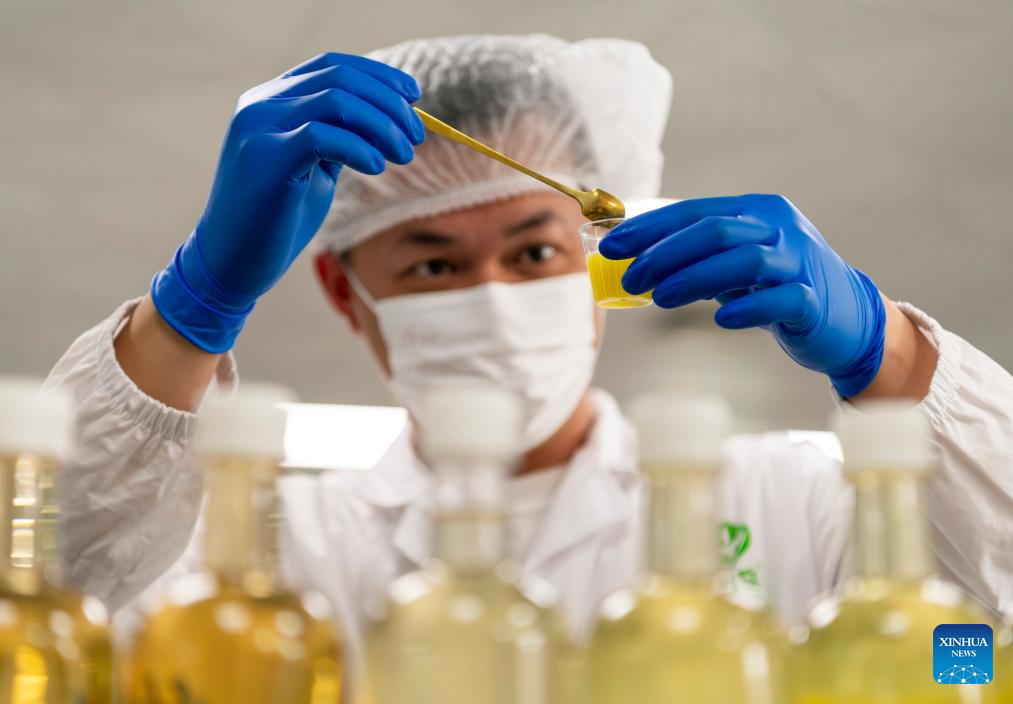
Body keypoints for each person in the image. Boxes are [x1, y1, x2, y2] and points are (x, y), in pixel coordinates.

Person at [45, 34, 1013, 685]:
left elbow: (981, 635)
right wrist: (192, 310)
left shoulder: (791, 503)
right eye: (433, 263)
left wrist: (885, 351)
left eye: (535, 251)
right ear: (345, 292)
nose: (494, 296)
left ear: (597, 263)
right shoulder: (271, 556)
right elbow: (49, 611)